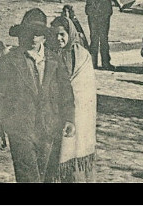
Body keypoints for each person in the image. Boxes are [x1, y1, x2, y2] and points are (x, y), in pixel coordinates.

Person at [0, 9, 75, 183]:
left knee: (47, 178)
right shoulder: (9, 61)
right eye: (28, 33)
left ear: (44, 36)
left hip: (50, 129)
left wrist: (69, 118)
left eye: (38, 34)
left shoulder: (55, 60)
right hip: (20, 130)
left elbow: (66, 92)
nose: (33, 38)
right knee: (28, 178)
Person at [48, 15, 97, 182]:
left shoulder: (82, 56)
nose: (59, 38)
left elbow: (85, 88)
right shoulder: (48, 54)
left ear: (70, 33)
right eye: (55, 34)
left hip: (79, 112)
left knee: (75, 149)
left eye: (62, 34)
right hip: (56, 110)